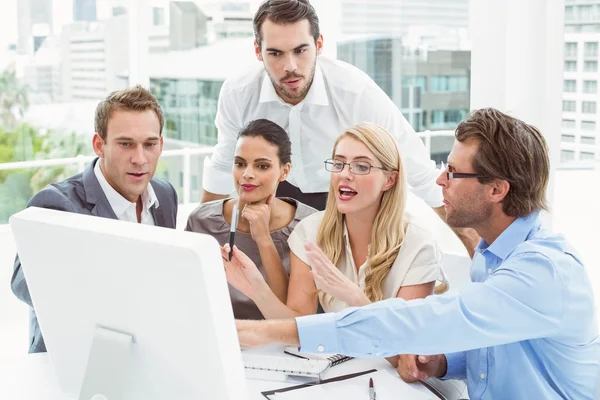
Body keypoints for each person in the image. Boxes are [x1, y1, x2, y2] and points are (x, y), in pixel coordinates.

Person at [235, 108, 600, 400]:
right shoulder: (491, 257)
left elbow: (416, 320)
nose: (440, 181)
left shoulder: (541, 271)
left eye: (454, 172)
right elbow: (490, 350)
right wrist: (442, 363)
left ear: (497, 190)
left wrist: (259, 333)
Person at [201, 0, 478, 256]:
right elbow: (224, 164)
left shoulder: (355, 91)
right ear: (258, 51)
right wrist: (196, 237)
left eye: (301, 50)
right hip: (275, 201)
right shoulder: (238, 92)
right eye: (275, 53)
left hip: (342, 199)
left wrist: (473, 245)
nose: (290, 66)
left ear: (319, 44)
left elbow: (417, 168)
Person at [225, 123, 445, 330]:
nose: (344, 174)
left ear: (390, 180)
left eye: (361, 166)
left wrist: (354, 297)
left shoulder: (418, 244)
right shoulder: (310, 231)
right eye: (338, 164)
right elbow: (299, 324)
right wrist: (254, 287)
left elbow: (407, 351)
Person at [11, 85, 179, 354]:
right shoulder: (56, 204)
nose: (139, 158)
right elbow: (23, 284)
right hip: (74, 356)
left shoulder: (165, 194)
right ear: (99, 145)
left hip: (146, 351)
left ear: (160, 144)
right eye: (126, 144)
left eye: (149, 144)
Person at [186, 119, 316, 319]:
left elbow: (290, 315)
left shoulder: (309, 225)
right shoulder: (201, 220)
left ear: (285, 171)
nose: (247, 174)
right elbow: (187, 294)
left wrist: (264, 238)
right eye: (240, 164)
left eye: (262, 166)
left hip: (278, 343)